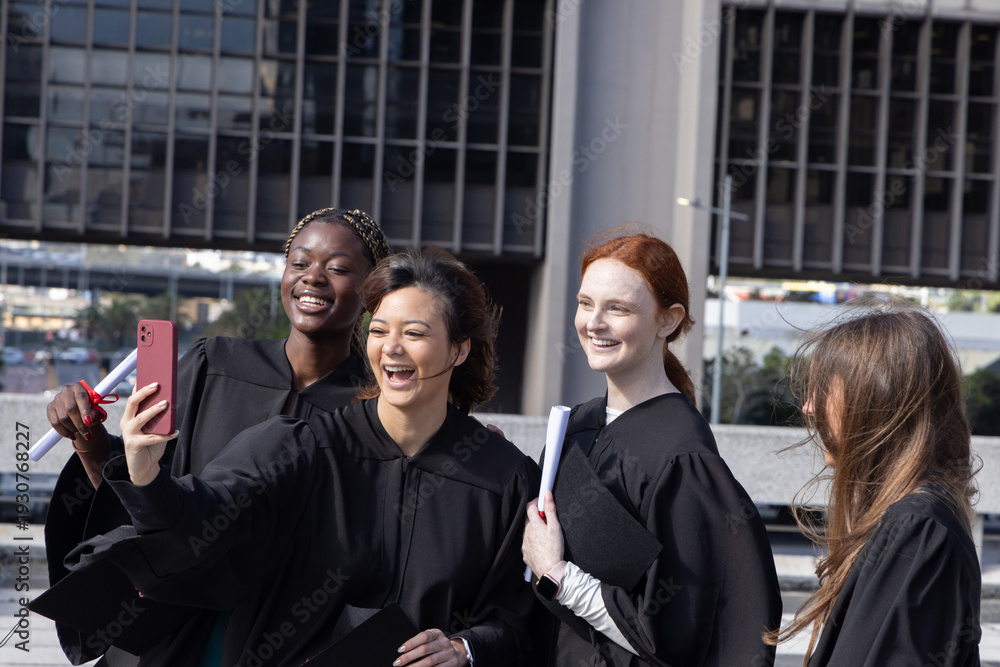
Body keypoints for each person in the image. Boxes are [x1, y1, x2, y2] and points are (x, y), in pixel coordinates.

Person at [61, 247, 540, 666]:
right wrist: (146, 476)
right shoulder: (303, 447)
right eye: (378, 330)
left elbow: (520, 616)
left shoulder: (501, 477)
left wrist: (466, 648)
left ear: (458, 350)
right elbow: (207, 513)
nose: (391, 348)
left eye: (414, 333)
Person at [42, 208, 391, 665]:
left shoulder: (376, 406)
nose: (314, 279)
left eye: (339, 269)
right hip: (172, 626)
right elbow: (145, 491)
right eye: (300, 264)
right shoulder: (215, 363)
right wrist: (89, 440)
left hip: (292, 635)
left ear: (372, 291)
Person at [521, 229, 782, 666]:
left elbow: (673, 631)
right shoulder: (575, 426)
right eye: (586, 304)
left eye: (618, 308)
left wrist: (559, 576)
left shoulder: (682, 456)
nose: (593, 323)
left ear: (669, 319)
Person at [765, 305, 981, 666]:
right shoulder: (914, 520)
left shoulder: (919, 529)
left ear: (876, 398)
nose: (807, 407)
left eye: (822, 391)